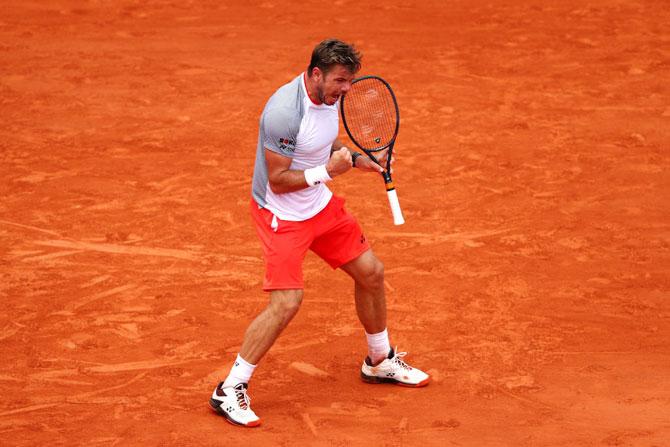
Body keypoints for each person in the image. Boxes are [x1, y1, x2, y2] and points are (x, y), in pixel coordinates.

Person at [209, 38, 430, 427]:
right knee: (287, 302)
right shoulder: (282, 112)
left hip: (319, 206)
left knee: (371, 273)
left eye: (350, 81)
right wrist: (329, 172)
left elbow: (325, 143)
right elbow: (278, 180)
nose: (347, 90)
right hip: (281, 215)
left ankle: (379, 360)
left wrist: (361, 160)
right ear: (315, 74)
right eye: (341, 81)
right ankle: (230, 387)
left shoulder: (331, 99)